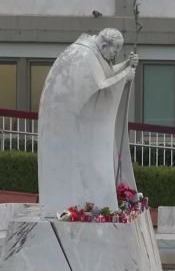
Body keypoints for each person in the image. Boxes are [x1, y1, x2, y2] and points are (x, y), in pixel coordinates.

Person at [38, 28, 139, 217]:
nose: (114, 56)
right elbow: (100, 88)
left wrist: (126, 65)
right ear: (103, 46)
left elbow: (105, 75)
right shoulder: (81, 57)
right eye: (115, 52)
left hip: (75, 129)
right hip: (67, 132)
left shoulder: (93, 53)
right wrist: (125, 76)